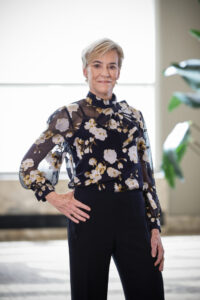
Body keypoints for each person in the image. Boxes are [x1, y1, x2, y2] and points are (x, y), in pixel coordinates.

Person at [19, 38, 165, 300]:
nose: (105, 72)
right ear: (85, 71)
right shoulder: (69, 115)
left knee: (150, 291)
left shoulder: (134, 116)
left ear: (119, 72)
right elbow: (28, 166)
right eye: (97, 65)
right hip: (88, 215)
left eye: (112, 66)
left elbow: (146, 175)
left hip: (133, 216)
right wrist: (53, 197)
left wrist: (154, 226)